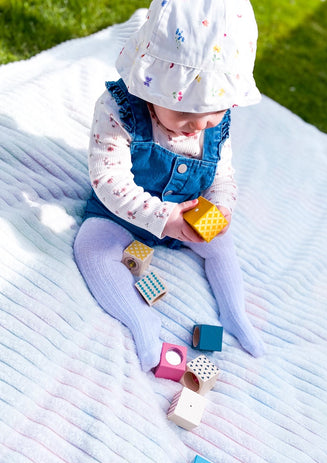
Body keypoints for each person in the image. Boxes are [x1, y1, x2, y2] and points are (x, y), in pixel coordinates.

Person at [74, 0, 265, 372]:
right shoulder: (118, 111)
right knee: (91, 247)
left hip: (189, 215)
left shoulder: (211, 122)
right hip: (124, 215)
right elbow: (109, 181)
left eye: (216, 110)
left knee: (222, 244)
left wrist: (221, 207)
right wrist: (162, 217)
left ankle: (234, 313)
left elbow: (223, 174)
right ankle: (140, 321)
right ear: (152, 86)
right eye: (184, 112)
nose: (201, 125)